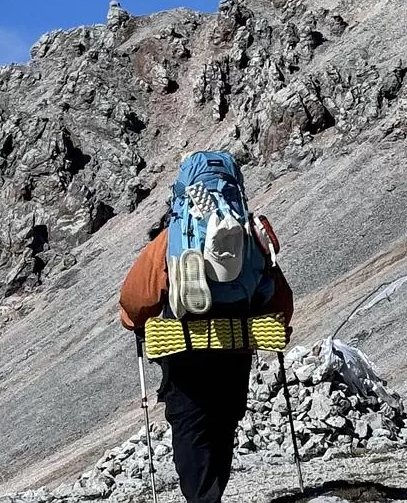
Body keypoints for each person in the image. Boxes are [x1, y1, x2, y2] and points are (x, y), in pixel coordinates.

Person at [119, 193, 293, 503]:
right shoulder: (249, 234)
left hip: (185, 353)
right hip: (235, 349)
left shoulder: (171, 239)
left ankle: (203, 499)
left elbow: (136, 300)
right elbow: (279, 298)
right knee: (223, 425)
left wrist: (134, 322)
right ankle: (212, 495)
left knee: (191, 428)